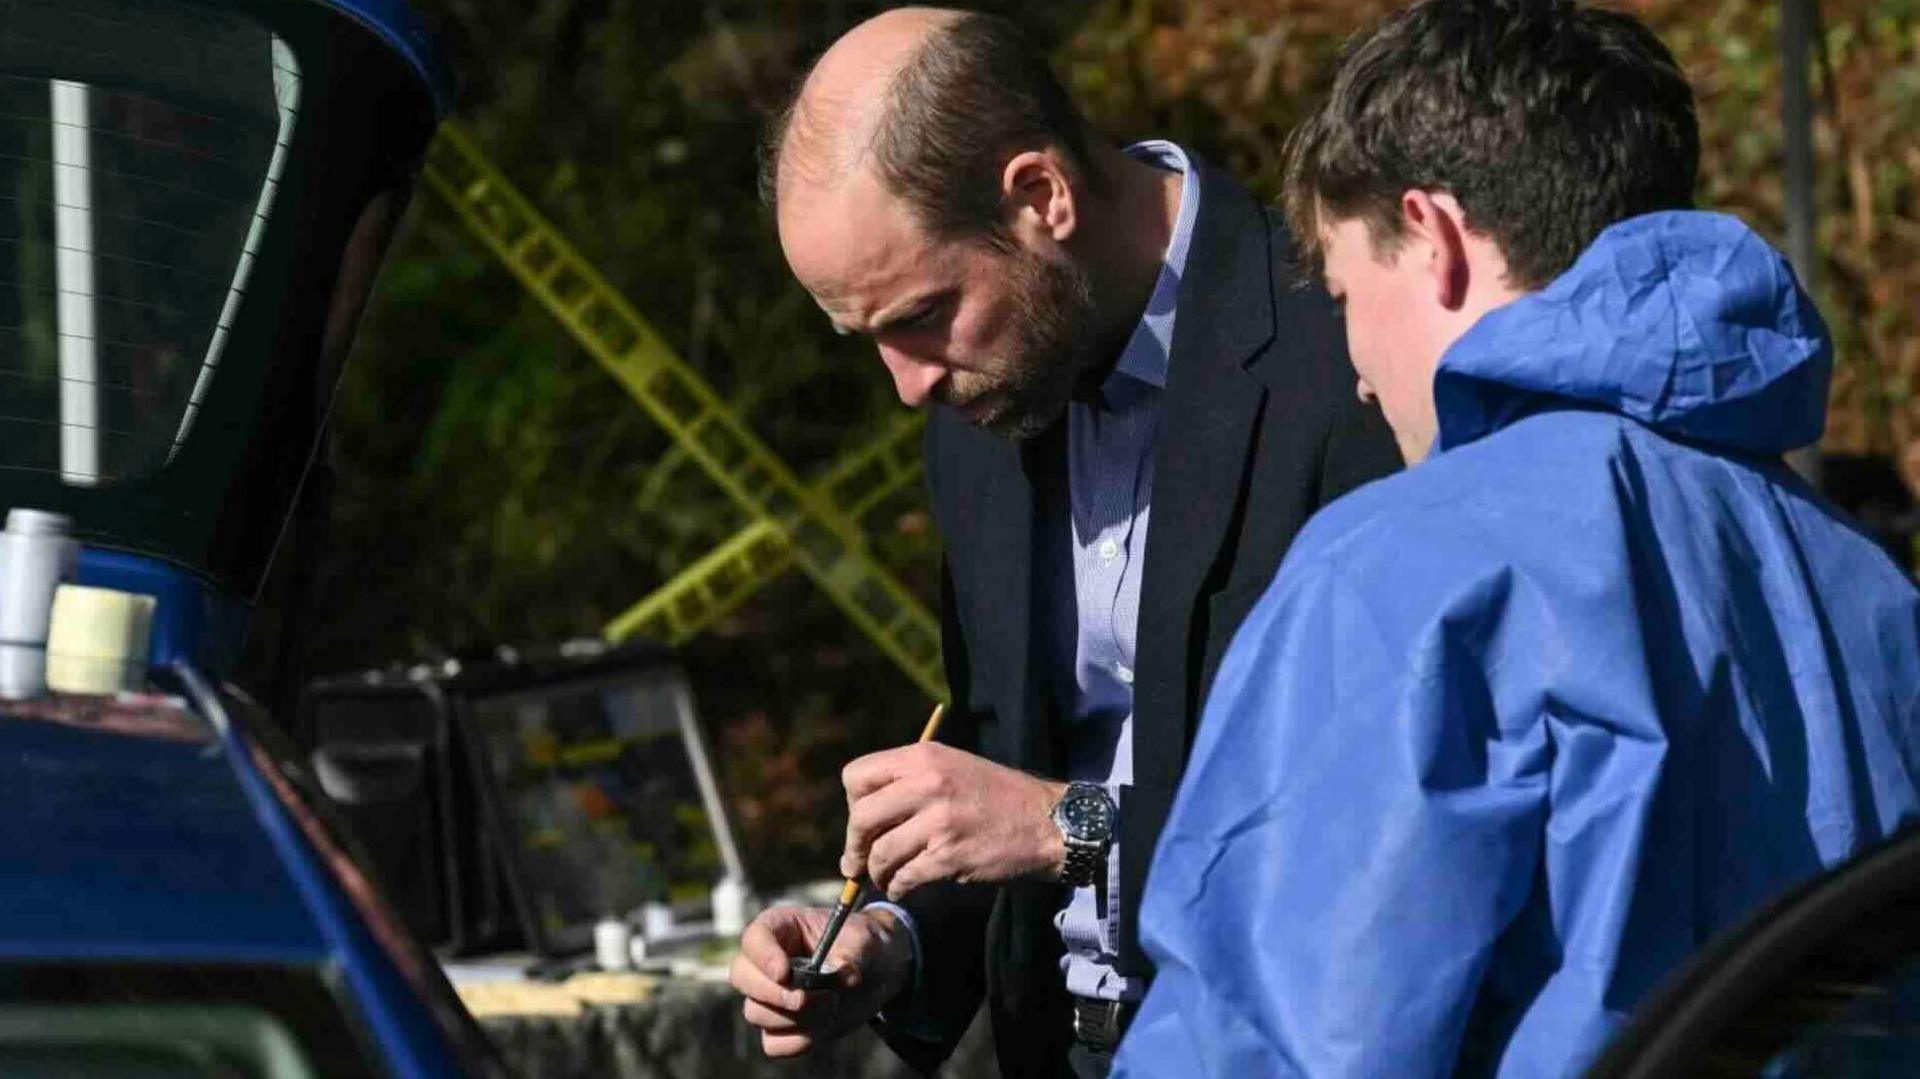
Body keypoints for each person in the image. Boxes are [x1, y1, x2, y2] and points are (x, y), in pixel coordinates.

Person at [1111, 1, 1920, 1076]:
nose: (1355, 371)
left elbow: (1272, 1043)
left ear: (1435, 237)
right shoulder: (1865, 582)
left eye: (1348, 293)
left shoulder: (1401, 570)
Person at [725, 8, 1401, 1078]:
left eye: (920, 315)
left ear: (1044, 197)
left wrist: (1063, 827)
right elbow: (997, 779)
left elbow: (1381, 813)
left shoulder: (1349, 349)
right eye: (870, 342)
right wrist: (890, 937)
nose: (907, 387)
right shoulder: (982, 401)